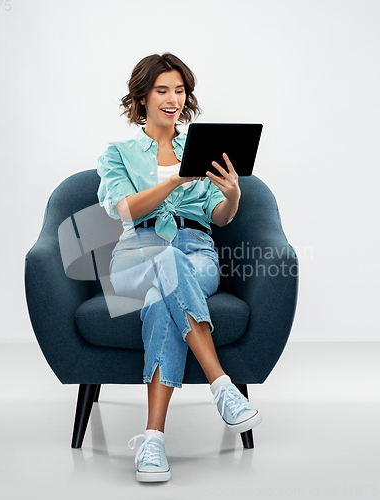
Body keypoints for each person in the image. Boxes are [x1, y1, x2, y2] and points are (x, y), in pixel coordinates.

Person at [97, 52, 261, 483]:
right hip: (138, 251)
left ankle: (153, 439)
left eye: (180, 90)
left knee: (159, 299)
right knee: (163, 260)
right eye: (162, 90)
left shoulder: (202, 150)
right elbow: (125, 209)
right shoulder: (119, 153)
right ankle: (221, 385)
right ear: (143, 97)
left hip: (197, 251)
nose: (173, 99)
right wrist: (172, 181)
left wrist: (232, 195)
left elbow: (219, 216)